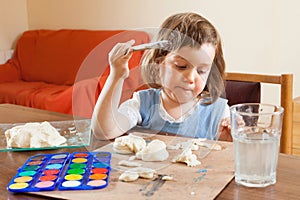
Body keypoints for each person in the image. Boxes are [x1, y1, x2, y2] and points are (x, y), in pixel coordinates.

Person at [91, 12, 232, 141]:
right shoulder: (142, 103)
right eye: (181, 66)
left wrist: (230, 139)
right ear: (159, 65)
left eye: (201, 71)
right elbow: (104, 131)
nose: (190, 78)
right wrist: (117, 75)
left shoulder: (217, 112)